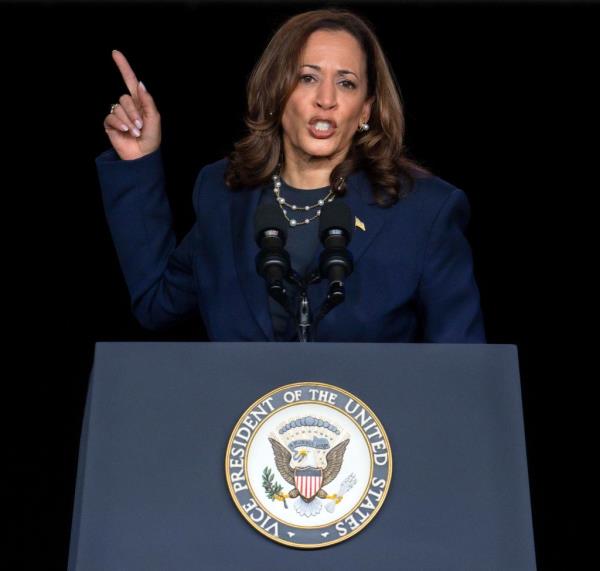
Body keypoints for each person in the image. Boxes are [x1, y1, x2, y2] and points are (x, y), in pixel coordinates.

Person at [96, 8, 486, 343]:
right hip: (240, 428)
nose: (327, 99)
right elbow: (155, 304)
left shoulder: (424, 211)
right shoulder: (223, 195)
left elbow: (460, 369)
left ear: (365, 110)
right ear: (275, 91)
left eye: (346, 83)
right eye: (308, 77)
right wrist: (137, 162)